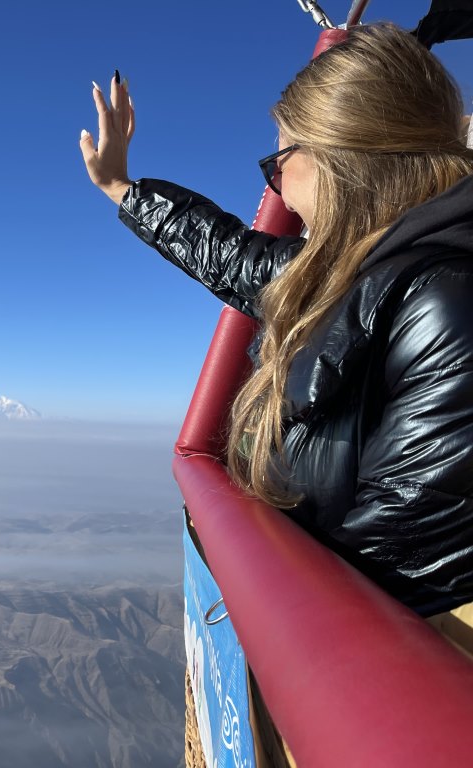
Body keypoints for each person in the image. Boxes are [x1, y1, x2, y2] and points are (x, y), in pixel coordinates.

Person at [80, 22, 473, 620]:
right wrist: (123, 190)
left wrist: (264, 607)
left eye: (280, 159)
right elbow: (235, 257)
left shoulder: (445, 303)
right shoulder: (351, 272)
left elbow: (384, 569)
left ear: (343, 158)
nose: (280, 191)